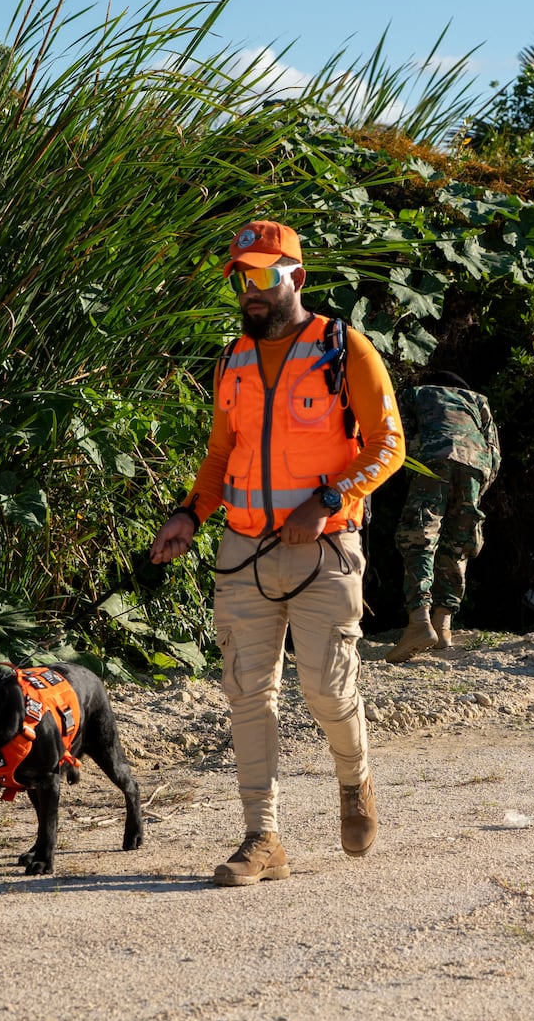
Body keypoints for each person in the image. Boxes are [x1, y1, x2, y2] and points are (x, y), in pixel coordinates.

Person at [148, 219, 403, 886]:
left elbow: (388, 445)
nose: (251, 291)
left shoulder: (345, 348)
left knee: (323, 687)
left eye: (264, 276)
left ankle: (356, 780)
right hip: (244, 552)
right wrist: (188, 514)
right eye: (242, 278)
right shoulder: (232, 358)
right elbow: (219, 457)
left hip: (326, 551)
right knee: (247, 693)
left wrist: (326, 500)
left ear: (297, 276)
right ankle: (263, 838)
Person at [385, 370, 501, 662]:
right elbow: (495, 452)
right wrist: (477, 489)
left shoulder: (417, 393)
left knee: (419, 535)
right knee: (459, 541)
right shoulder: (479, 401)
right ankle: (443, 624)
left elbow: (399, 437)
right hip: (476, 464)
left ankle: (419, 622)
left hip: (433, 459)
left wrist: (412, 476)